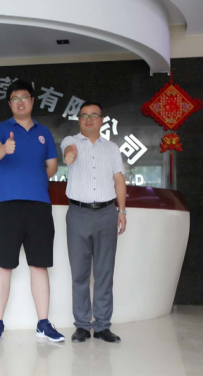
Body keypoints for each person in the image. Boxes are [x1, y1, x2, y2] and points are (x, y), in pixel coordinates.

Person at [0, 79, 65, 343]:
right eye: (15, 98)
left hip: (39, 204)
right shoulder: (2, 128)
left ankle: (43, 323)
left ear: (32, 101)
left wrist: (36, 176)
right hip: (7, 204)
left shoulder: (44, 132)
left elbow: (52, 166)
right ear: (10, 104)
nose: (20, 102)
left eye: (24, 97)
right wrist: (4, 149)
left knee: (39, 264)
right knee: (3, 264)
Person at [61, 102, 127, 343]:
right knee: (79, 273)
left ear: (102, 120)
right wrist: (69, 155)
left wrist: (122, 211)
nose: (89, 119)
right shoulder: (71, 141)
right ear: (79, 119)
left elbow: (119, 180)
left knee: (104, 272)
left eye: (94, 115)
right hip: (78, 213)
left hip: (107, 213)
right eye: (84, 115)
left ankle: (101, 326)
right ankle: (81, 325)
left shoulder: (112, 148)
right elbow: (67, 151)